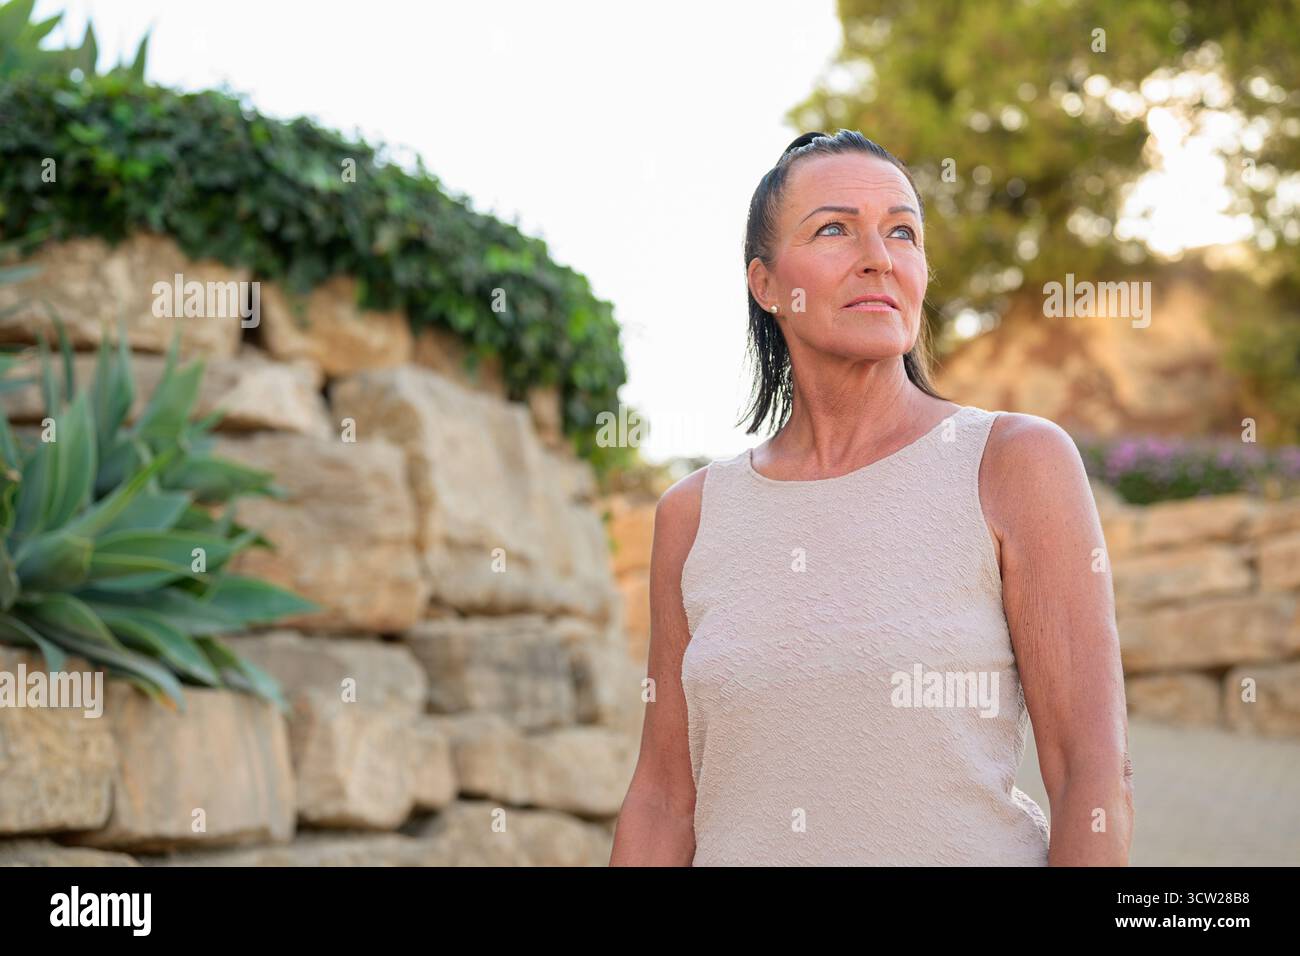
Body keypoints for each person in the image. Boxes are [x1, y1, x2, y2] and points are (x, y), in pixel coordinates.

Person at [609, 130, 1134, 866]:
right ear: (765, 285)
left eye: (902, 232)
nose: (879, 257)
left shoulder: (1013, 463)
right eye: (833, 229)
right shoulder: (693, 516)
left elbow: (1092, 775)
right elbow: (663, 797)